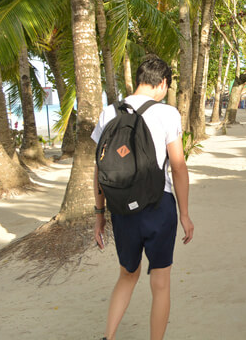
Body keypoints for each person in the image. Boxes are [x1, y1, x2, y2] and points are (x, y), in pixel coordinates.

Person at [92, 55, 194, 340]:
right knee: (160, 282)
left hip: (121, 208)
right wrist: (184, 214)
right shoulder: (167, 113)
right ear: (162, 83)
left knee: (127, 275)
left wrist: (99, 215)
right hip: (158, 206)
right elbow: (178, 166)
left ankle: (108, 337)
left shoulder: (108, 113)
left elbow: (99, 170)